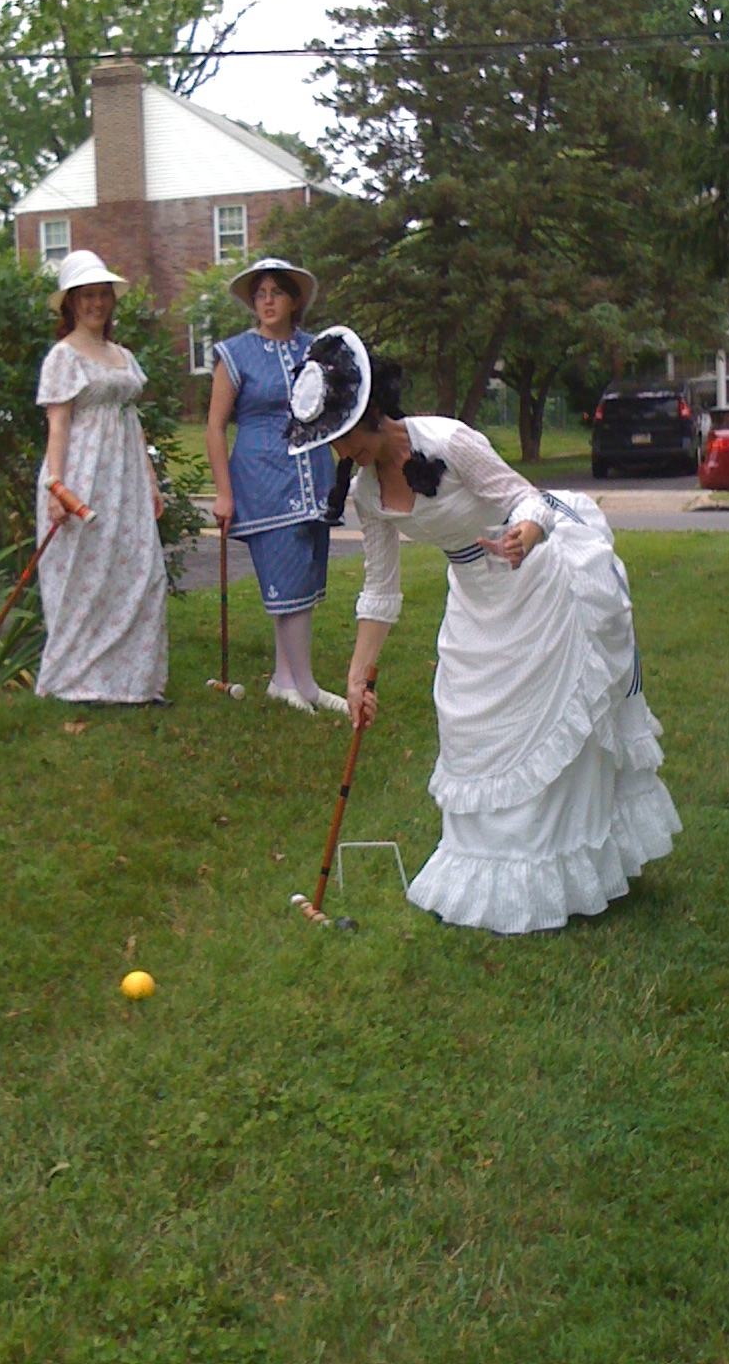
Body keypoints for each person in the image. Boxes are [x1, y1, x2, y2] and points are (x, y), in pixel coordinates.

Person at [286, 326, 681, 934]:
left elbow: (526, 499)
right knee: (474, 728)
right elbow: (381, 589)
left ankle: (559, 873)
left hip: (536, 583)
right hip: (474, 598)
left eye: (342, 439)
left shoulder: (449, 439)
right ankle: (492, 873)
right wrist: (359, 671)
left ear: (370, 414)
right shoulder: (366, 492)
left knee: (547, 729)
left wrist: (527, 534)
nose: (341, 454)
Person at [206, 257, 345, 714]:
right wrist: (223, 493)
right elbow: (214, 427)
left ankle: (288, 680)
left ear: (293, 300)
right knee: (285, 572)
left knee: (305, 571)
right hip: (262, 473)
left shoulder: (315, 349)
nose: (266, 301)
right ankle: (300, 682)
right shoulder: (235, 354)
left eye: (276, 293)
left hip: (313, 471)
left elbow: (334, 410)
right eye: (259, 293)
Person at [34, 250, 168, 704]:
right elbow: (58, 423)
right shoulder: (63, 356)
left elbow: (132, 418)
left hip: (126, 474)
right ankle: (77, 681)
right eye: (86, 296)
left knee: (141, 572)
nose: (96, 303)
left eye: (102, 295)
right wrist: (56, 485)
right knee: (86, 579)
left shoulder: (122, 356)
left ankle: (134, 682)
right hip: (83, 474)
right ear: (71, 303)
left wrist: (150, 480)